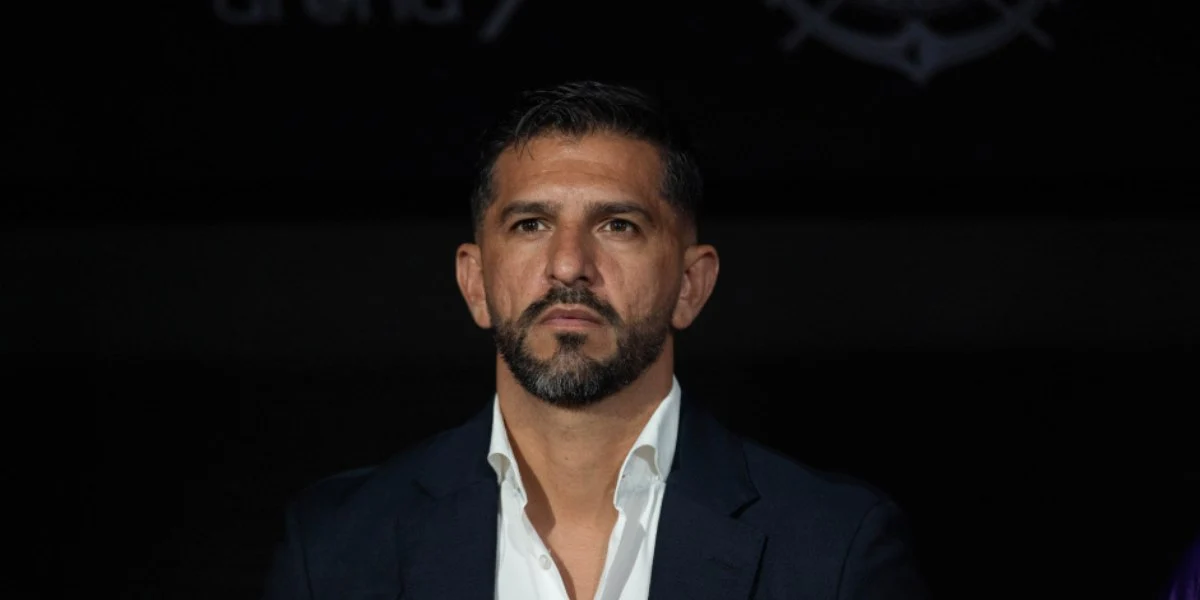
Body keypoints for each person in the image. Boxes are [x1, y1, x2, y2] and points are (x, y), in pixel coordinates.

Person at [261, 80, 928, 600]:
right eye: (530, 224)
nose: (569, 264)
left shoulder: (834, 545)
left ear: (691, 285)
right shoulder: (338, 543)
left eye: (617, 225)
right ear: (475, 283)